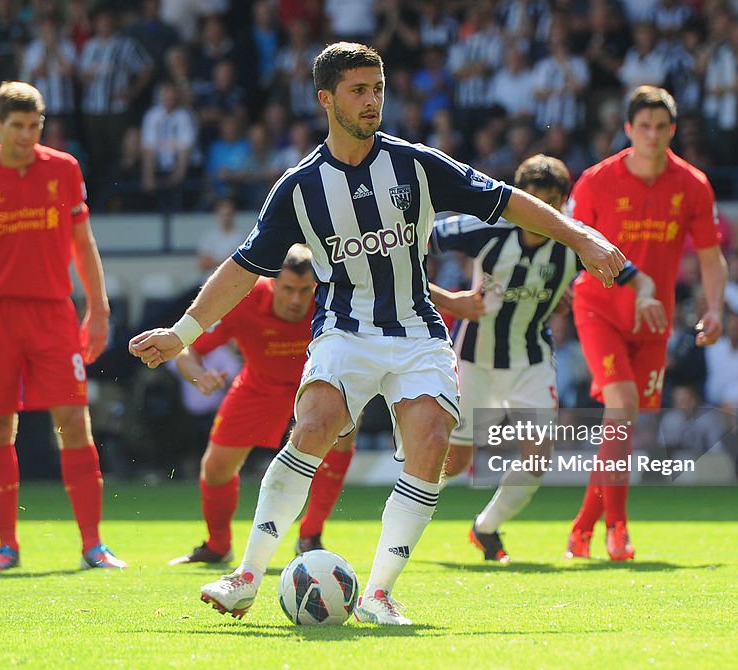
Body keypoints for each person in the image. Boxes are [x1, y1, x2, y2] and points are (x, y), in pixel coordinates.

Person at [129, 43, 624, 625]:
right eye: (359, 90)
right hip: (345, 328)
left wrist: (582, 237)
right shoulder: (299, 187)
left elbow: (506, 200)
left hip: (417, 331)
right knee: (313, 426)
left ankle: (378, 593)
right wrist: (183, 332)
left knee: (433, 442)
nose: (372, 101)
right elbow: (243, 266)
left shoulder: (416, 165)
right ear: (326, 98)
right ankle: (245, 575)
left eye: (378, 89)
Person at [430, 154, 664, 564]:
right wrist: (449, 300)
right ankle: (404, 509)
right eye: (531, 201)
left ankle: (484, 528)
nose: (540, 212)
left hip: (531, 360)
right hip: (474, 359)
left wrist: (645, 292)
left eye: (551, 203)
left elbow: (632, 273)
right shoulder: (482, 227)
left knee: (538, 458)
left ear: (562, 203)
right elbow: (403, 249)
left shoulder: (576, 241)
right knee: (457, 459)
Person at [0, 81, 125, 571]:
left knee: (75, 421)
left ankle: (92, 545)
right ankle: (6, 546)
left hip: (52, 312)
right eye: (17, 126)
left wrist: (97, 309)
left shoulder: (63, 168)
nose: (26, 135)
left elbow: (84, 244)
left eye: (34, 126)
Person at [566, 85, 727, 561]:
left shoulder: (693, 184)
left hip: (655, 320)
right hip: (599, 309)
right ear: (628, 130)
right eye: (644, 127)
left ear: (672, 131)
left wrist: (715, 308)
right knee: (623, 405)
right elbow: (574, 245)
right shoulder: (596, 182)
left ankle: (581, 529)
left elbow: (712, 258)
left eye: (661, 127)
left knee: (625, 422)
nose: (652, 136)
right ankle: (618, 529)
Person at [168, 245, 356, 565]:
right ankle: (218, 546)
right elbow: (186, 349)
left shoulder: (334, 299)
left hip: (315, 383)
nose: (296, 300)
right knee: (215, 468)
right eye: (287, 289)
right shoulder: (242, 300)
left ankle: (310, 536)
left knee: (344, 438)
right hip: (258, 385)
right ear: (272, 282)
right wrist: (199, 376)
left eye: (304, 290)